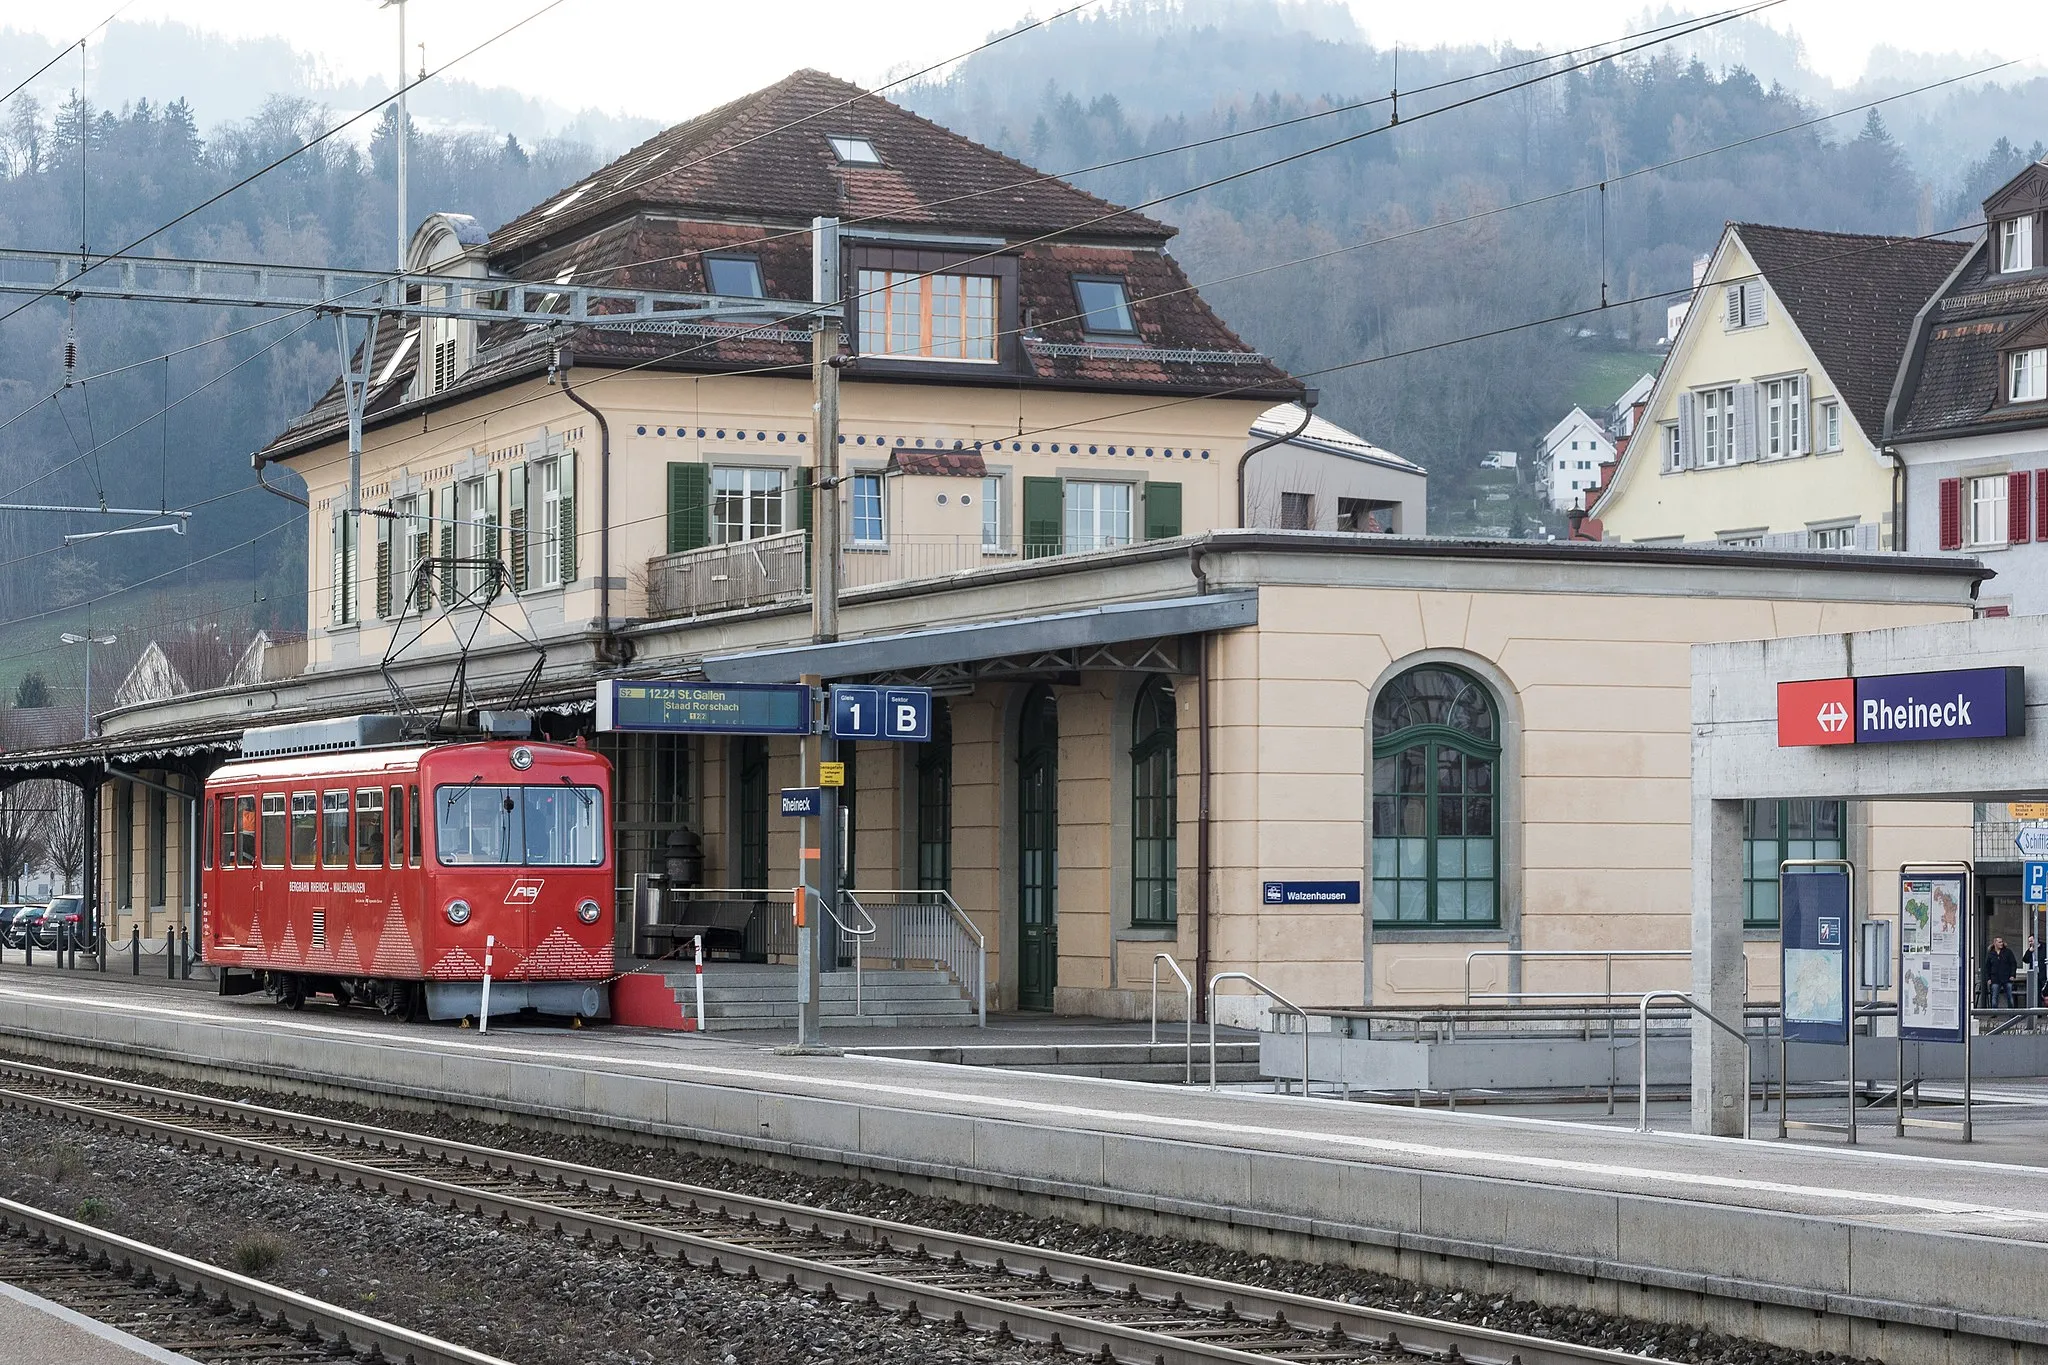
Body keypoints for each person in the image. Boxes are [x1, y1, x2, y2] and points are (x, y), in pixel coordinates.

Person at [1985, 936, 2019, 1009]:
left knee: (2009, 996)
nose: (2001, 943)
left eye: (2002, 942)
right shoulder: (1991, 954)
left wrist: (2012, 975)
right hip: (1995, 978)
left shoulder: (2007, 952)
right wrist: (1988, 978)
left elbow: (2013, 964)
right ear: (1995, 943)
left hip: (2007, 978)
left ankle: (2012, 1013)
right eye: (1999, 942)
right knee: (1994, 997)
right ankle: (1994, 1013)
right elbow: (1987, 967)